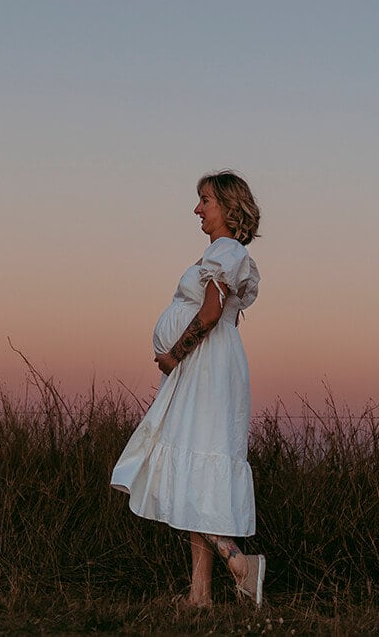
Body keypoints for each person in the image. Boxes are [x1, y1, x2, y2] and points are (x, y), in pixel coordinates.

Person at [111, 171, 264, 608]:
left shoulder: (225, 250)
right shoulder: (224, 253)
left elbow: (212, 312)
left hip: (204, 367)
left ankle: (239, 563)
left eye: (205, 201)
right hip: (212, 367)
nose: (198, 209)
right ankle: (200, 594)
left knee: (194, 467)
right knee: (200, 470)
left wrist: (175, 354)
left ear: (228, 208)